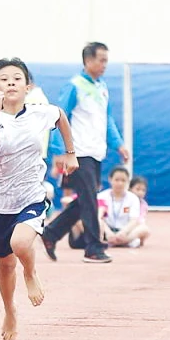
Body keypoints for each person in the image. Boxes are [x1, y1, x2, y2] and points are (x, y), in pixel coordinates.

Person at [0, 58, 79, 340]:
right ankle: (9, 311)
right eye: (4, 79)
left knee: (20, 244)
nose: (11, 83)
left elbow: (61, 117)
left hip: (31, 195)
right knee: (4, 264)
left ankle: (30, 272)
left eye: (17, 78)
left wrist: (70, 152)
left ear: (28, 86)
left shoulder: (41, 113)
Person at [42, 42, 129, 263]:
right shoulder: (74, 86)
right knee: (90, 200)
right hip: (78, 153)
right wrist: (59, 151)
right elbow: (59, 118)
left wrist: (118, 144)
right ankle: (93, 247)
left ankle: (51, 233)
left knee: (85, 200)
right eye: (101, 60)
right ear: (88, 60)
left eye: (106, 60)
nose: (104, 65)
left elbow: (107, 119)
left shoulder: (102, 87)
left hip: (96, 151)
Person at [99, 166, 149, 248]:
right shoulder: (101, 196)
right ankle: (113, 241)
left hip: (125, 232)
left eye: (123, 180)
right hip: (106, 231)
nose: (120, 183)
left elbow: (134, 220)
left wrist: (123, 232)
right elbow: (99, 218)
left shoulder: (133, 198)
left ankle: (121, 241)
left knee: (144, 229)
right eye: (117, 180)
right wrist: (108, 233)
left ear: (127, 182)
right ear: (110, 179)